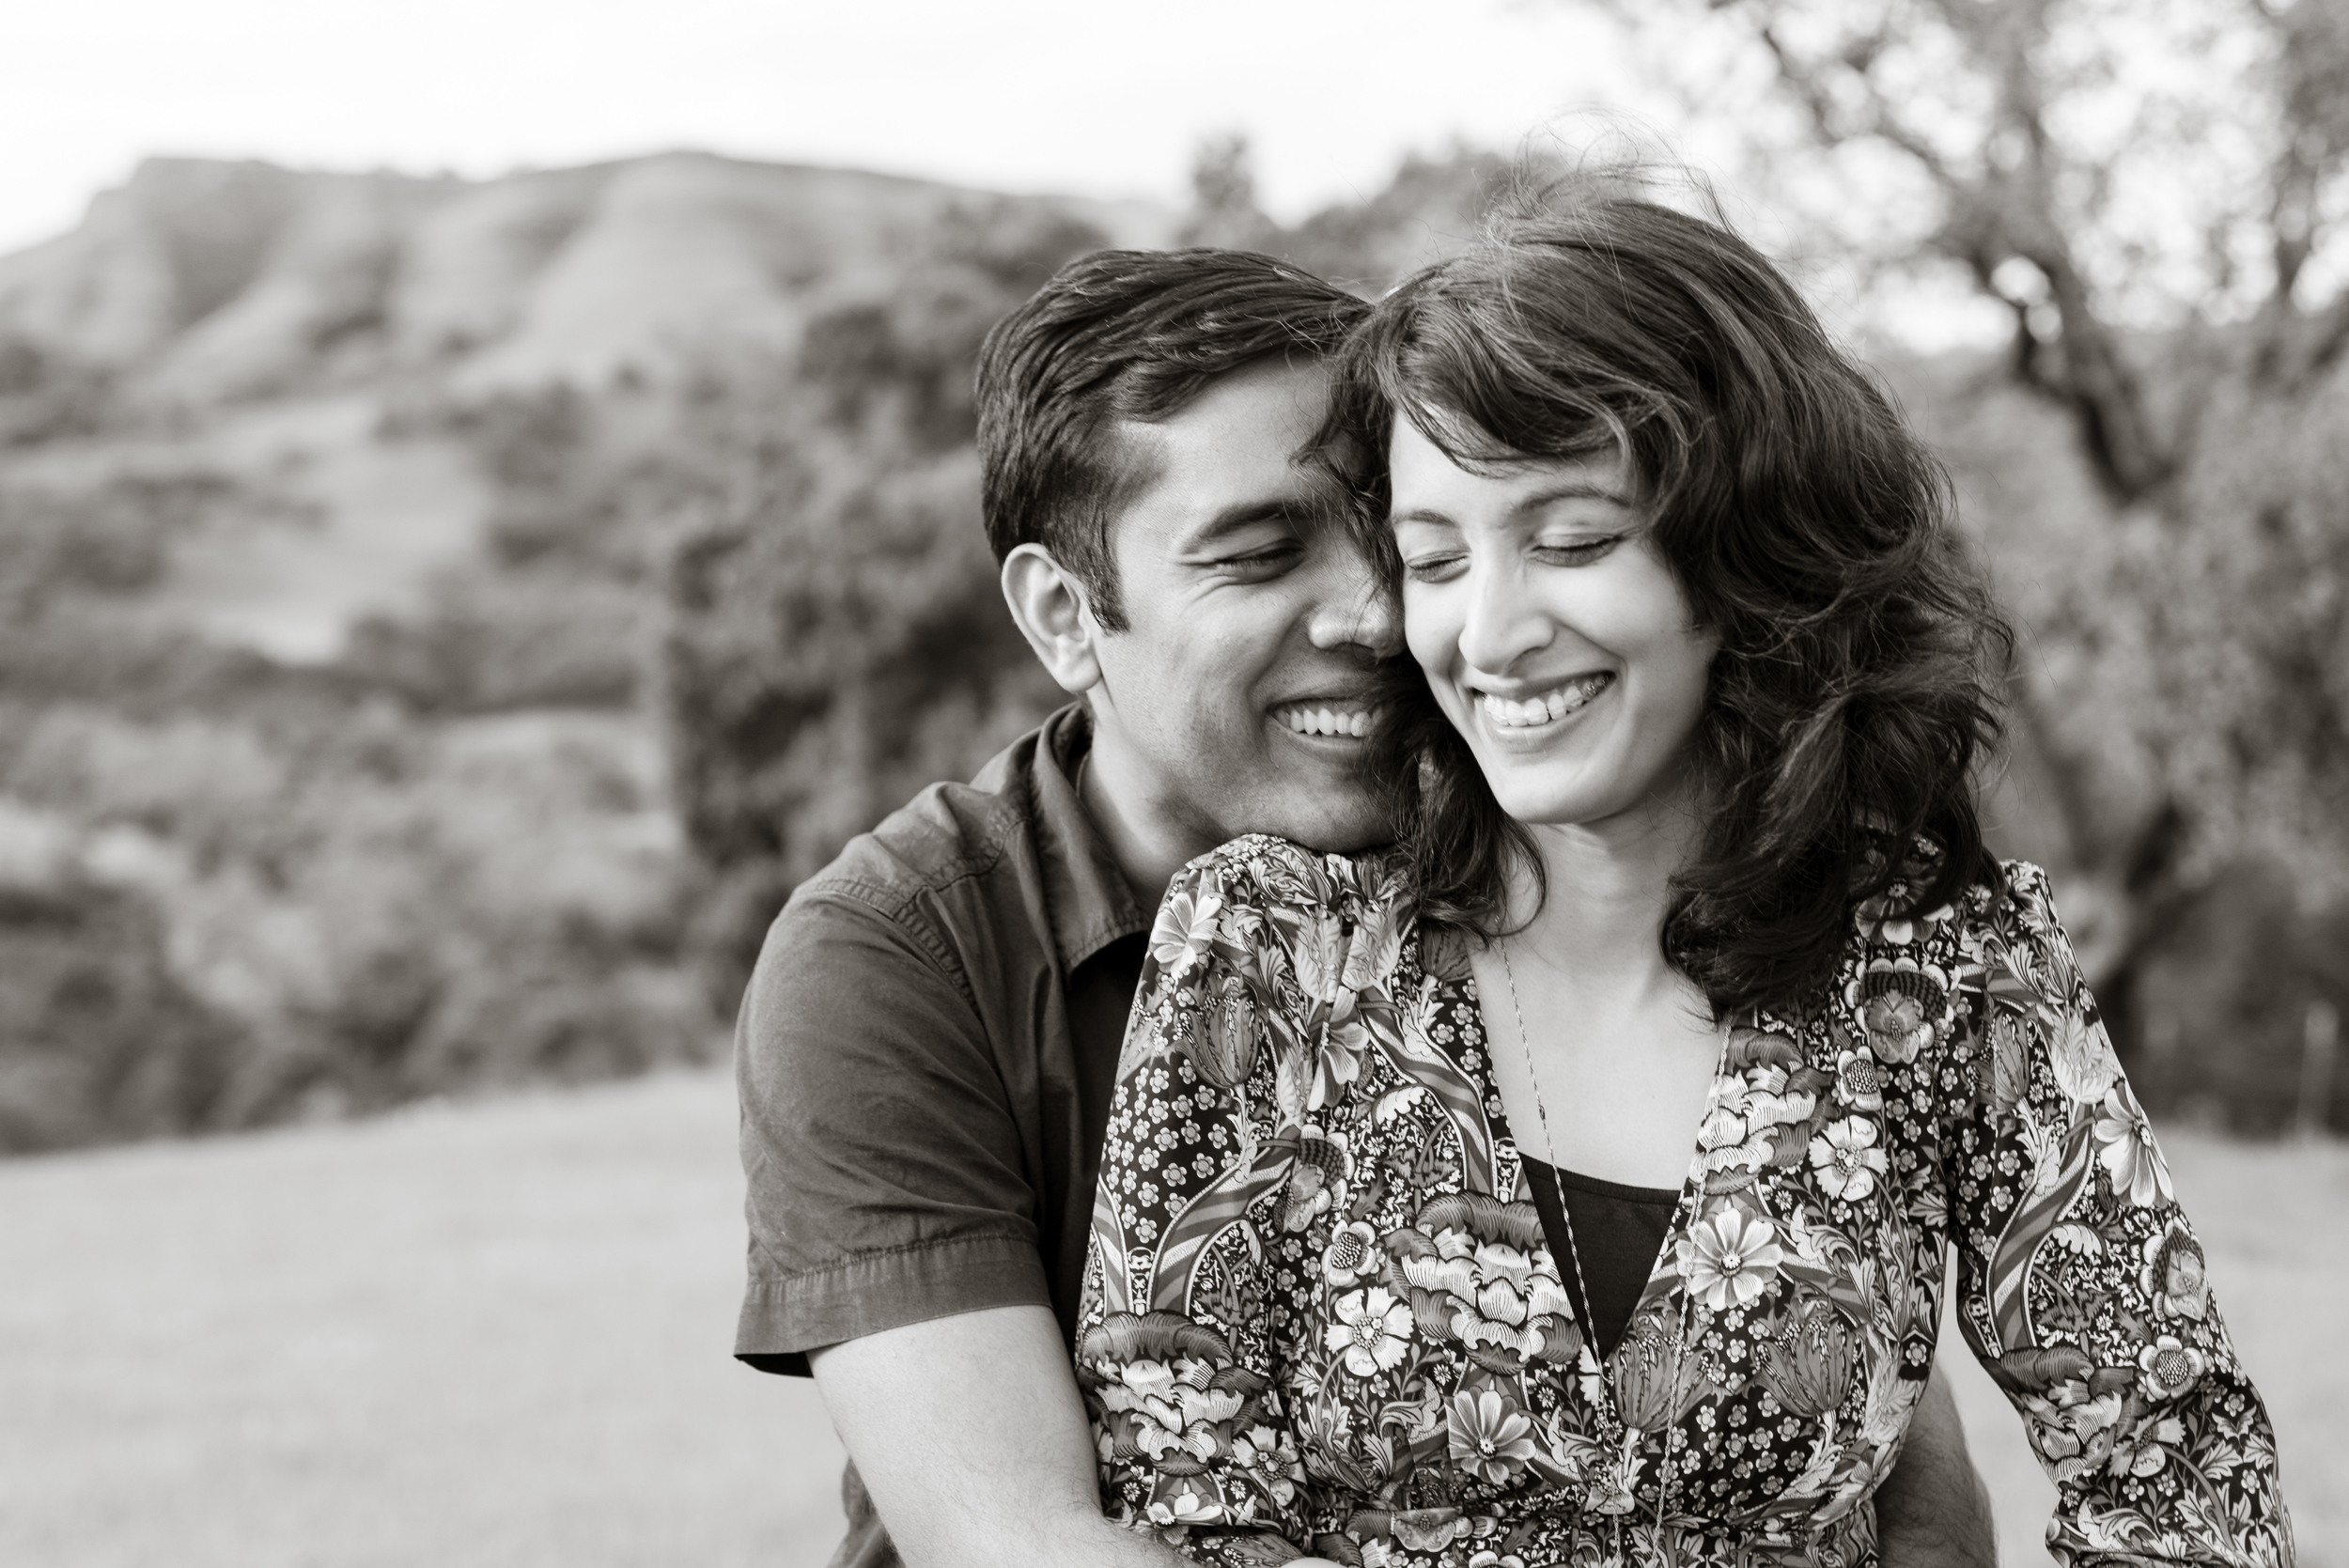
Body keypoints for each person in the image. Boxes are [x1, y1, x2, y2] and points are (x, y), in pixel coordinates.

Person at [733, 246, 1995, 1568]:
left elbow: (1879, 1431)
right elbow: (1024, 1542)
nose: (1380, 614)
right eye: (1259, 553)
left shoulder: (1580, 839)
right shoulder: (897, 956)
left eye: (1393, 531)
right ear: (1066, 614)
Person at [1075, 198, 2295, 1566]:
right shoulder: (1265, 951)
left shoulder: (1943, 966)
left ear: (1738, 552)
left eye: (1573, 538)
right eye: (1433, 558)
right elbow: (1184, 1496)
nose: (1490, 632)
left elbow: (2183, 1485)